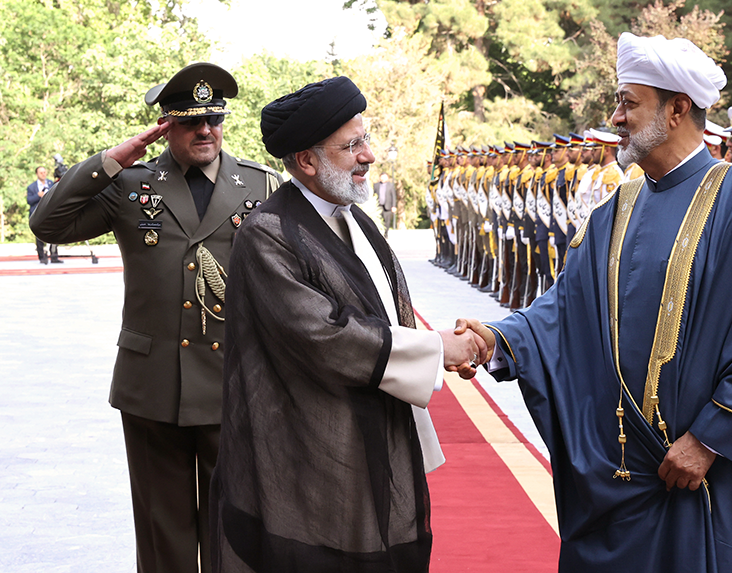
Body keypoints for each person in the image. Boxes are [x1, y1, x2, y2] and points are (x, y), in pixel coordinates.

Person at [456, 33, 732, 572]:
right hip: (626, 470)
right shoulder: (615, 209)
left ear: (676, 109)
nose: (616, 117)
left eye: (628, 102)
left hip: (709, 474)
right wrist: (495, 340)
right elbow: (562, 311)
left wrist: (712, 438)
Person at [209, 76, 488, 573]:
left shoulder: (355, 218)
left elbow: (384, 308)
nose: (369, 156)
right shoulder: (268, 233)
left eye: (365, 139)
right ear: (307, 161)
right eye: (351, 145)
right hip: (311, 450)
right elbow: (323, 335)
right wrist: (433, 350)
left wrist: (444, 348)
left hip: (374, 433)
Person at [30, 62, 281, 573]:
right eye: (190, 121)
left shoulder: (260, 184)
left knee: (232, 530)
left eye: (214, 119)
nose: (205, 130)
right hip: (151, 383)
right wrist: (109, 160)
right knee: (161, 531)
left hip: (233, 382)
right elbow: (48, 222)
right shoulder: (130, 185)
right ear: (166, 125)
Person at [26, 166, 61, 264]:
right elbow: (29, 201)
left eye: (44, 172)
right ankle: (42, 257)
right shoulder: (31, 187)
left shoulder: (51, 184)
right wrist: (38, 195)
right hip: (38, 213)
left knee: (54, 234)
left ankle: (54, 256)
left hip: (50, 213)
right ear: (37, 174)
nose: (43, 174)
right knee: (39, 236)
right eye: (41, 172)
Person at [373, 170, 397, 235]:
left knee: (387, 221)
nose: (383, 178)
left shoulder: (390, 185)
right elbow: (374, 195)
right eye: (382, 177)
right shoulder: (376, 185)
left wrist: (394, 206)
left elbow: (393, 196)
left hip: (388, 206)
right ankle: (378, 234)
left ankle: (386, 234)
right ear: (380, 177)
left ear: (387, 178)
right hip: (379, 205)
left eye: (385, 177)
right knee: (378, 220)